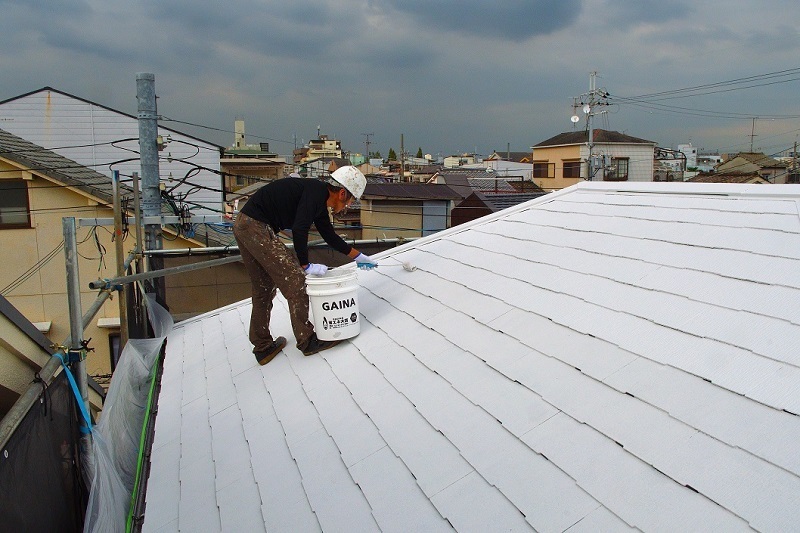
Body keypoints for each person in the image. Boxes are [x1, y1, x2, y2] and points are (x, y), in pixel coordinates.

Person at [233, 166, 378, 365]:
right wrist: (304, 265)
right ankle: (307, 340)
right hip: (256, 227)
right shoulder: (315, 194)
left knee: (263, 288)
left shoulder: (317, 200)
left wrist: (358, 256)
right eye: (351, 200)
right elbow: (300, 228)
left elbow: (329, 236)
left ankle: (262, 346)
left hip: (244, 224)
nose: (348, 206)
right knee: (297, 281)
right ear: (342, 193)